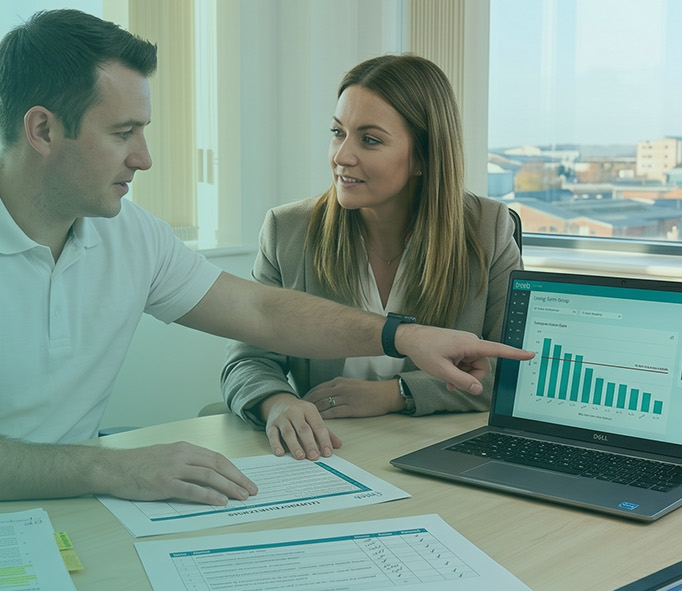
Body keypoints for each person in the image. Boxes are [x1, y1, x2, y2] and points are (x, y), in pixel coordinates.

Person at [0, 11, 532, 507]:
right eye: (123, 132)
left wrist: (399, 335)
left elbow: (259, 311)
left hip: (69, 513)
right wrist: (116, 467)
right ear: (43, 129)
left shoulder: (126, 234)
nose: (144, 157)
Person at [220, 54, 523, 461]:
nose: (341, 156)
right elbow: (248, 359)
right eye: (337, 132)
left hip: (437, 454)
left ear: (422, 156)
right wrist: (277, 401)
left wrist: (394, 394)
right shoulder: (287, 230)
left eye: (370, 139)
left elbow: (510, 372)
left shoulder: (488, 229)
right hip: (327, 454)